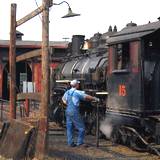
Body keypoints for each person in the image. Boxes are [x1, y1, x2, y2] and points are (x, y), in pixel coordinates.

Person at [62, 79, 99, 147]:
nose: (79, 85)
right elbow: (86, 96)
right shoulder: (77, 92)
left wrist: (67, 103)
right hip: (74, 111)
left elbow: (63, 99)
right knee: (82, 128)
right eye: (78, 84)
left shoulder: (67, 92)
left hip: (68, 110)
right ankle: (80, 142)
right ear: (76, 85)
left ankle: (70, 143)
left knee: (69, 128)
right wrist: (95, 98)